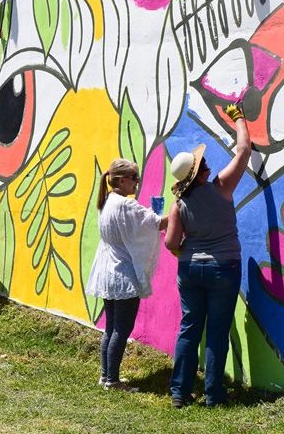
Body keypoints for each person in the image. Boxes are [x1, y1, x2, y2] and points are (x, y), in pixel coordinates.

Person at [164, 104, 252, 408]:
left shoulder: (179, 205)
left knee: (189, 328)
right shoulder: (221, 188)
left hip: (189, 269)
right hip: (223, 268)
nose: (208, 167)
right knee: (216, 331)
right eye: (203, 165)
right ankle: (214, 395)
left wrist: (186, 248)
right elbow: (244, 151)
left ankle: (179, 392)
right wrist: (238, 118)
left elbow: (171, 242)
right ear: (199, 174)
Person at [85, 159, 167, 392]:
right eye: (134, 177)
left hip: (108, 272)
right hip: (123, 275)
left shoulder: (108, 201)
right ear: (121, 180)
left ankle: (106, 376)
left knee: (111, 328)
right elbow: (158, 224)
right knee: (121, 329)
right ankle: (112, 380)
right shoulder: (125, 205)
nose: (137, 182)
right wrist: (180, 205)